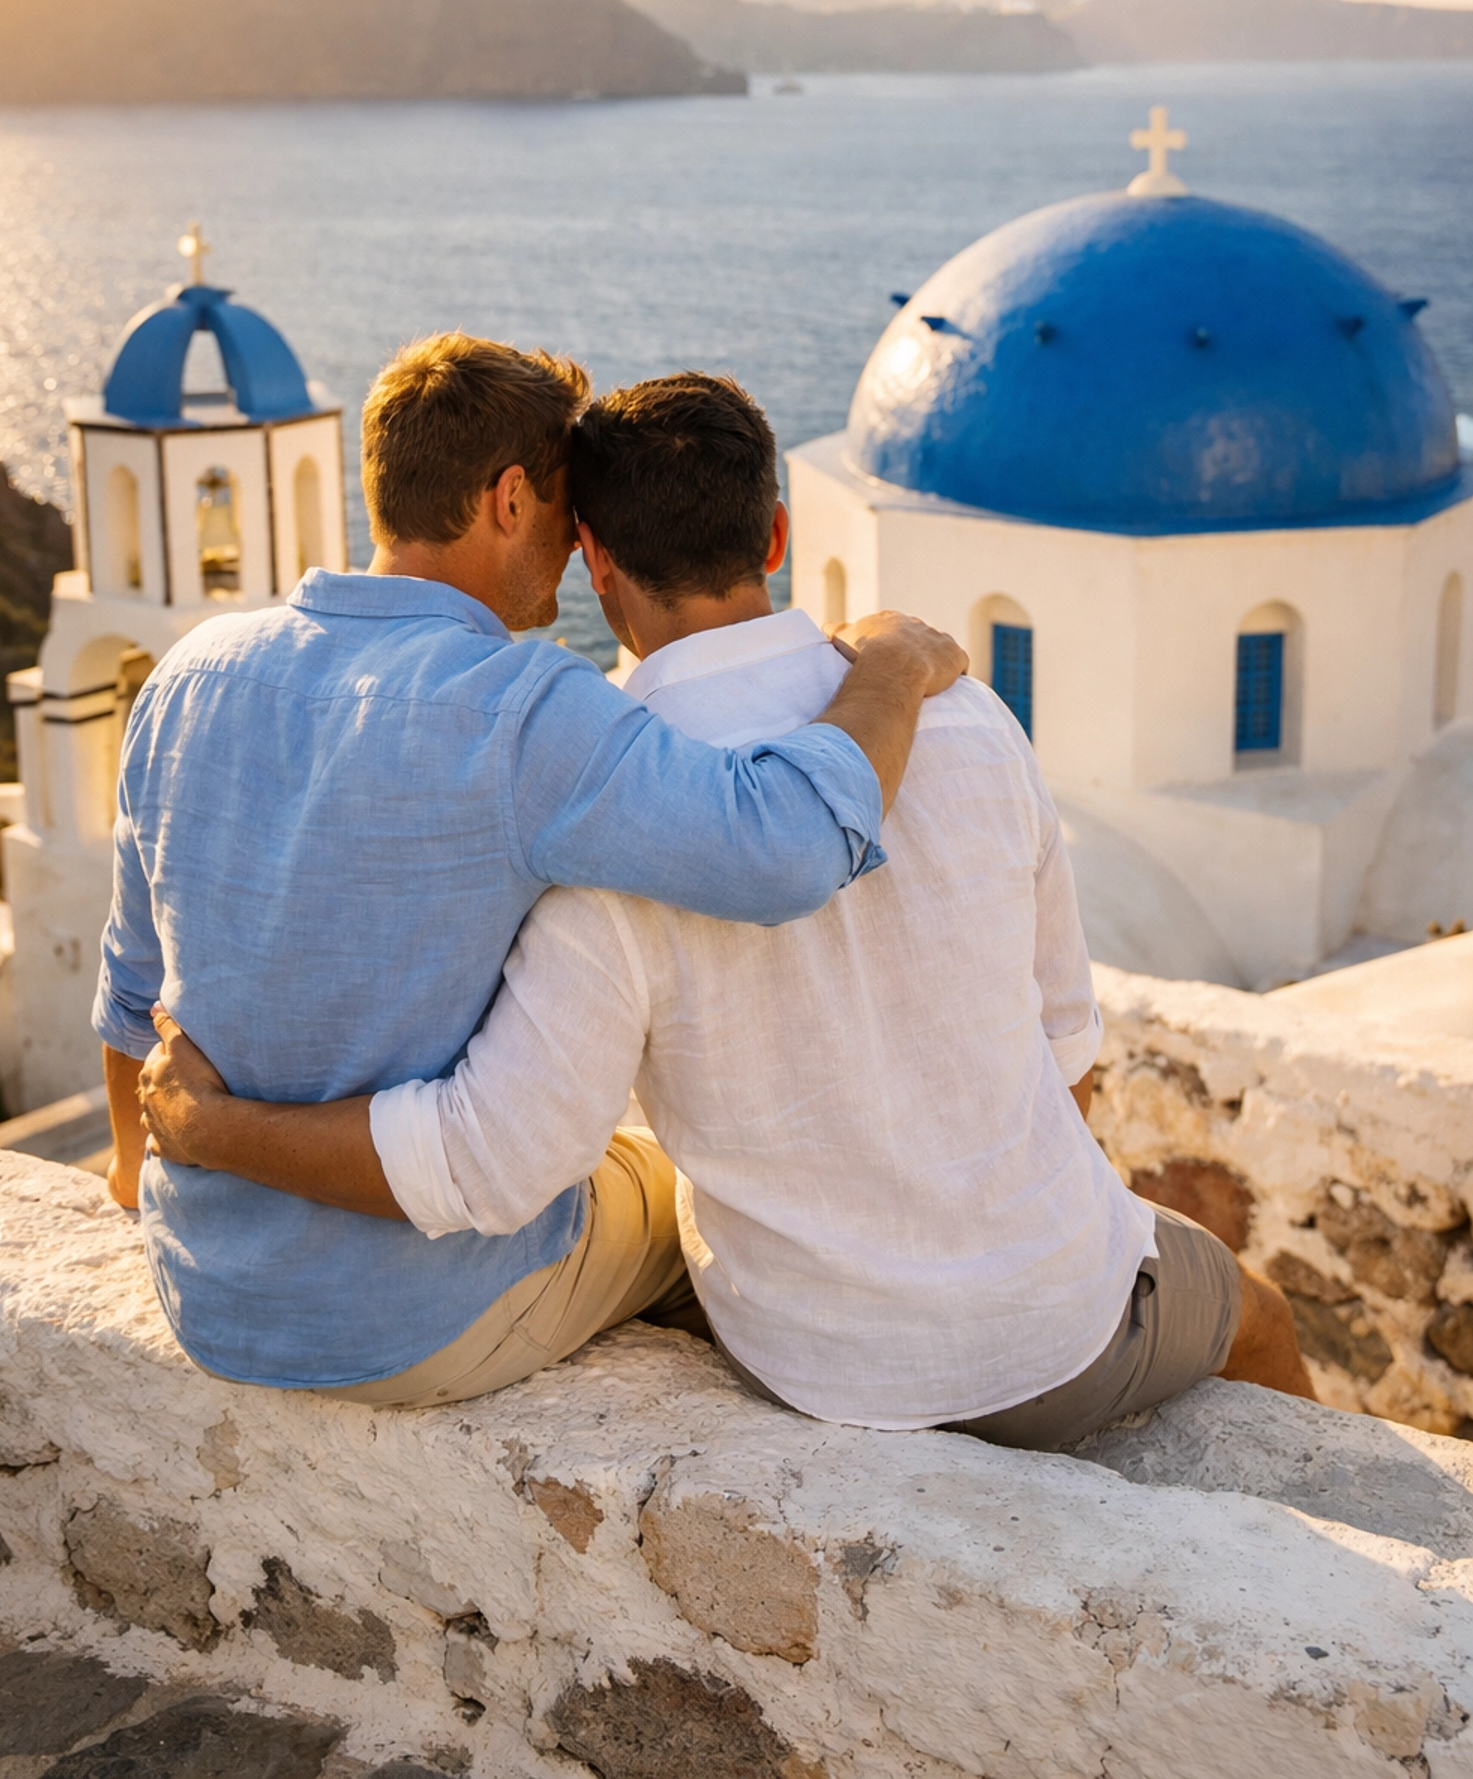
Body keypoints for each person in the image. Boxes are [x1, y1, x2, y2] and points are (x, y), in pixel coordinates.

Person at [141, 371, 1314, 1441]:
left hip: (811, 1360)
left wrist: (203, 1133)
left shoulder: (603, 792)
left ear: (594, 563)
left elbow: (492, 1149)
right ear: (780, 534)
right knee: (1254, 1314)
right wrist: (896, 668)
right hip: (1052, 1329)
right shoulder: (968, 722)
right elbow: (1065, 1056)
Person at [97, 337, 963, 1401]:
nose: (575, 550)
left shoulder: (191, 671)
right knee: (681, 1201)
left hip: (206, 1295)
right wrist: (891, 665)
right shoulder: (521, 706)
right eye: (566, 515)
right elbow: (783, 849)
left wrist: (143, 1169)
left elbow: (133, 984)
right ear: (510, 499)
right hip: (412, 1323)